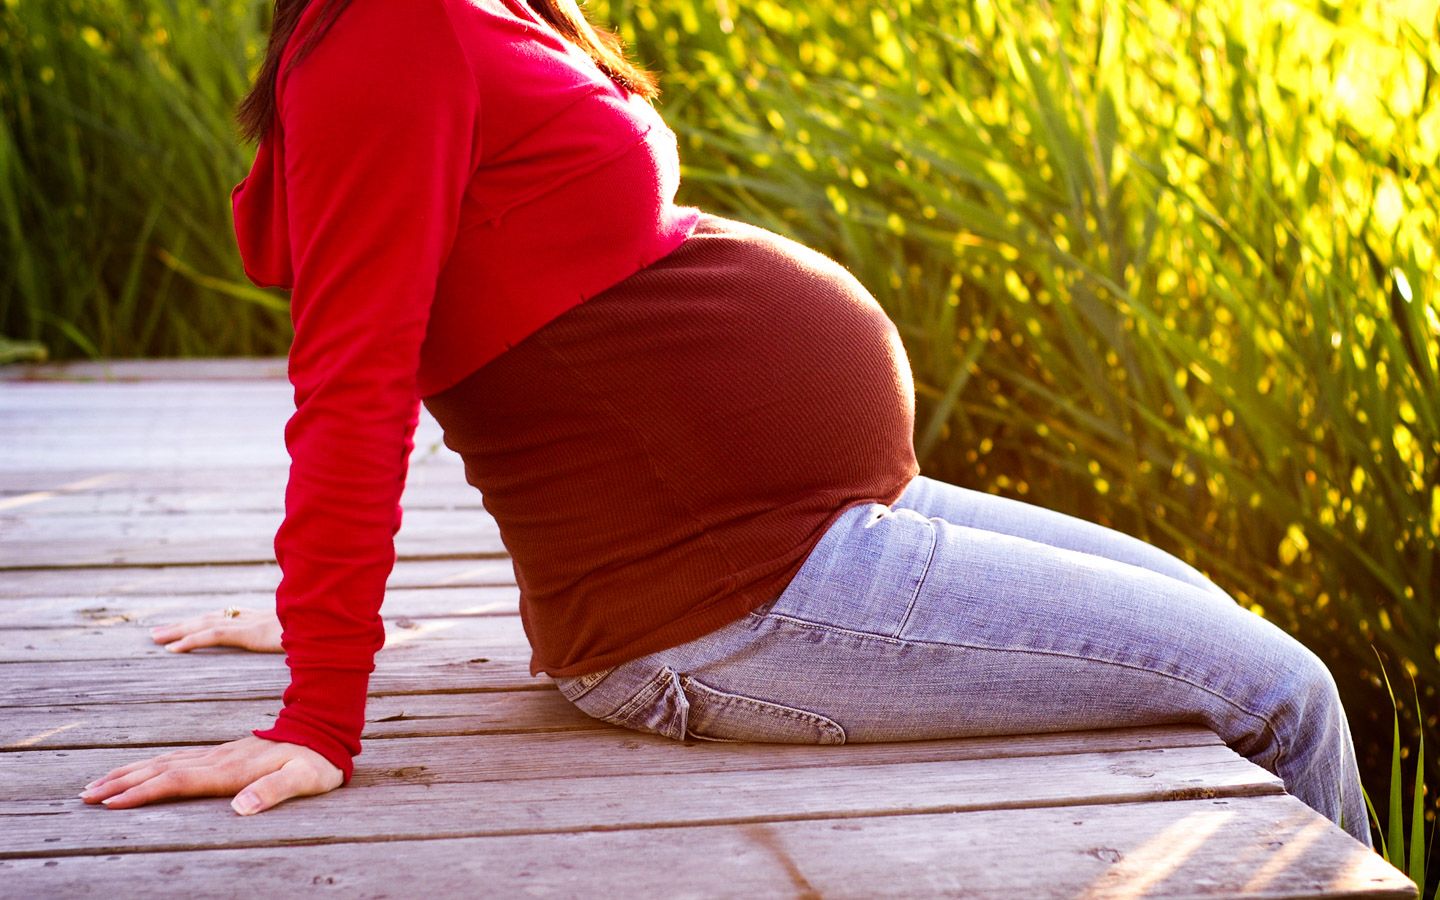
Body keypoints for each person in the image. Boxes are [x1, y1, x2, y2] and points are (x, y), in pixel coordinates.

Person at [78, 0, 1374, 851]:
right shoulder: (389, 35)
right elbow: (353, 378)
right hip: (732, 602)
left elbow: (507, 294)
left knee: (1234, 635)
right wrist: (320, 701)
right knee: (1281, 693)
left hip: (810, 532)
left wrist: (316, 607)